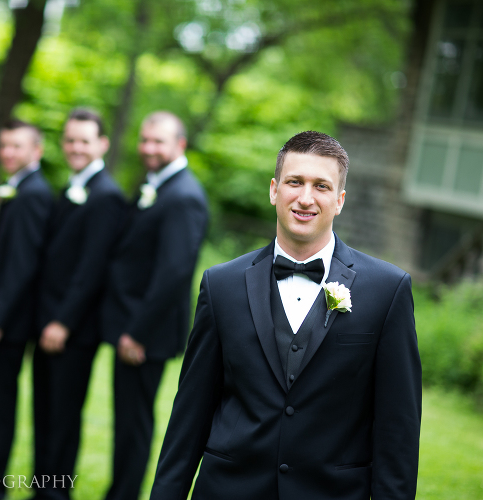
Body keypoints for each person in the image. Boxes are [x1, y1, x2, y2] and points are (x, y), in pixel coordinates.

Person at [149, 131, 422, 500]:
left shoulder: (387, 290)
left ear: (339, 200)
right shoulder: (221, 285)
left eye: (321, 186)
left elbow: (398, 429)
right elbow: (190, 414)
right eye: (295, 182)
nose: (305, 198)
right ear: (274, 190)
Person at [101, 111, 208, 500]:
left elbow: (174, 274)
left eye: (157, 141)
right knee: (126, 419)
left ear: (179, 145)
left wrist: (137, 332)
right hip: (132, 324)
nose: (148, 148)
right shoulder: (156, 186)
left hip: (146, 333)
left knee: (133, 423)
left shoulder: (184, 197)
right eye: (144, 140)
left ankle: (124, 494)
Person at [33, 109, 127, 500]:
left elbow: (92, 269)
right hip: (47, 320)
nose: (75, 147)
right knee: (43, 414)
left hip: (72, 329)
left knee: (63, 419)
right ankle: (42, 490)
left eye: (84, 141)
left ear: (102, 144)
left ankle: (55, 494)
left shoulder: (106, 196)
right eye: (70, 139)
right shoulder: (71, 187)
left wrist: (62, 322)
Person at [0, 119, 53, 500]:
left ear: (36, 151)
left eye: (16, 147)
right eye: (3, 146)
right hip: (0, 318)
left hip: (7, 323)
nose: (7, 153)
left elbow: (22, 264)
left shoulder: (34, 194)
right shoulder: (17, 188)